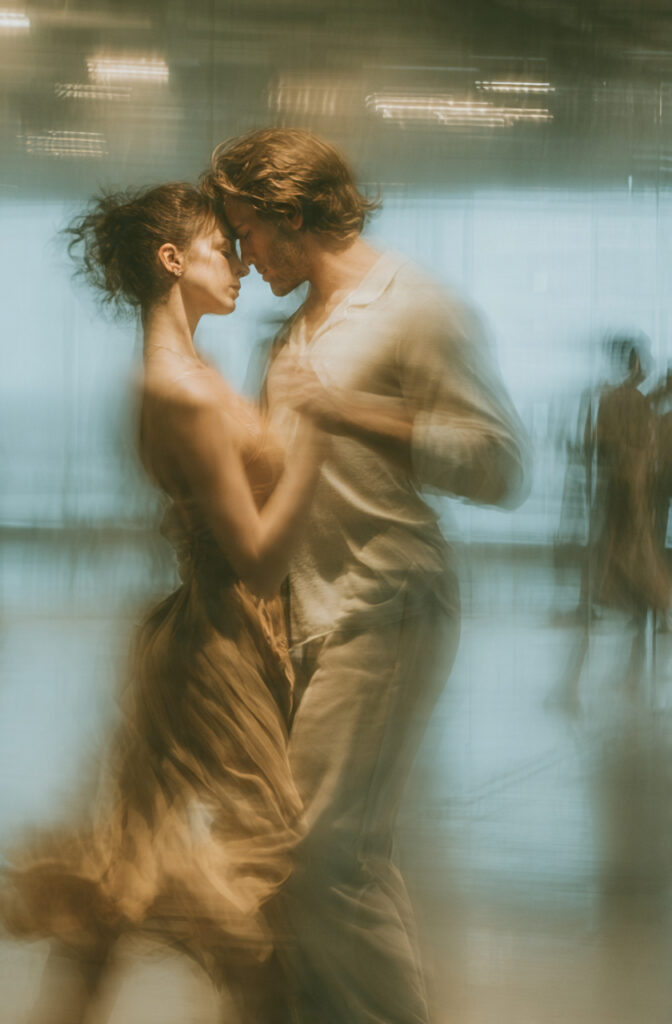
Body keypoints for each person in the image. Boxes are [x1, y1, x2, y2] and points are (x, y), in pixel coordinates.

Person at [204, 128, 529, 1024]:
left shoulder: (416, 308)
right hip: (304, 618)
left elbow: (501, 466)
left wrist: (353, 411)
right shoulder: (292, 327)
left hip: (383, 607)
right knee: (317, 861)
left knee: (323, 857)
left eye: (247, 232)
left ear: (292, 213)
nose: (241, 254)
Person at [0, 182, 323, 1024]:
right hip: (215, 647)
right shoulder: (179, 391)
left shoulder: (194, 375)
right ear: (173, 261)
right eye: (222, 247)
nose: (240, 264)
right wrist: (317, 447)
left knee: (128, 869)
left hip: (208, 638)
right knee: (261, 878)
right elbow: (254, 555)